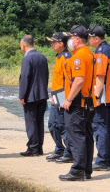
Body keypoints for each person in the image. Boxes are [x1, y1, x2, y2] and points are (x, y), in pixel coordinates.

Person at [59, 25, 95, 181]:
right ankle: (86, 169)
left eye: (71, 37)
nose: (69, 41)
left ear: (77, 39)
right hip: (87, 102)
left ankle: (78, 170)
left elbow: (79, 80)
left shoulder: (79, 56)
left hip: (77, 103)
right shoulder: (90, 54)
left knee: (76, 136)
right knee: (86, 136)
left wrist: (68, 99)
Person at [19, 35, 49, 157]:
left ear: (23, 45)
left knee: (31, 121)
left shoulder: (27, 58)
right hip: (42, 94)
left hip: (30, 95)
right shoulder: (42, 56)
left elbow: (25, 78)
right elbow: (46, 75)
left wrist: (22, 95)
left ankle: (32, 148)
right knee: (39, 121)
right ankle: (39, 147)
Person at [46, 32, 73, 163]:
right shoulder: (58, 56)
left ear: (61, 43)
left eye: (53, 42)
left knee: (62, 125)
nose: (51, 44)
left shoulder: (67, 57)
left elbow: (70, 80)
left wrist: (68, 99)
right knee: (52, 125)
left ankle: (69, 152)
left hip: (63, 96)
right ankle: (59, 149)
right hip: (55, 96)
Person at [87, 25, 110, 171]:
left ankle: (102, 160)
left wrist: (95, 97)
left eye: (89, 38)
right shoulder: (108, 48)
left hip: (104, 97)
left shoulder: (101, 51)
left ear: (96, 38)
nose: (88, 40)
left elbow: (100, 76)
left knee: (100, 127)